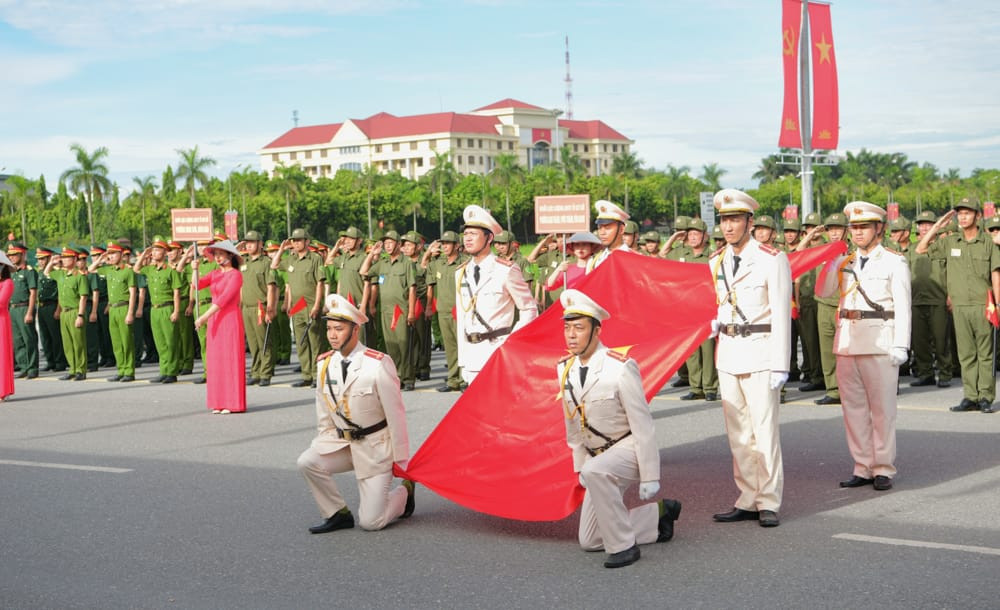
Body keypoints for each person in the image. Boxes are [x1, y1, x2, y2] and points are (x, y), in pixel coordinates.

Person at [557, 289, 681, 568]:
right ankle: (659, 515)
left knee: (596, 471)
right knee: (589, 540)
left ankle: (624, 548)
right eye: (567, 328)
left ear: (597, 331)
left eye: (579, 328)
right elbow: (572, 422)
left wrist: (650, 475)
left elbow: (642, 423)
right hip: (597, 459)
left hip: (628, 449)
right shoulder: (564, 368)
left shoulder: (620, 367)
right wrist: (580, 466)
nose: (571, 335)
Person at [296, 293, 415, 533]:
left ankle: (405, 493)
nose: (331, 335)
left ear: (355, 330)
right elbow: (323, 411)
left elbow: (395, 413)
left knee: (372, 522)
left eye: (338, 329)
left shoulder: (377, 364)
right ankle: (337, 513)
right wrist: (324, 442)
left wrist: (401, 460)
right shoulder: (324, 363)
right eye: (329, 328)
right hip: (343, 444)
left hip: (375, 448)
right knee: (307, 461)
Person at [708, 189, 791, 528]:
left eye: (735, 220)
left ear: (749, 222)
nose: (728, 227)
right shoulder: (716, 262)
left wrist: (781, 363)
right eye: (724, 220)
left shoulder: (772, 259)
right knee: (738, 433)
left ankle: (769, 500)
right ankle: (747, 497)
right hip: (728, 353)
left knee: (763, 430)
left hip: (760, 351)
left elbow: (783, 312)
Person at [815, 202, 910, 491]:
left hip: (880, 341)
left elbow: (903, 307)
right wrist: (832, 262)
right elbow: (823, 291)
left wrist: (901, 345)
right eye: (853, 227)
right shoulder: (846, 262)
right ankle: (863, 466)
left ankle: (883, 467)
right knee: (853, 409)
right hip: (847, 341)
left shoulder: (895, 261)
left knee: (882, 410)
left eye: (863, 227)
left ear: (878, 228)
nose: (857, 232)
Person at [918, 198, 1000, 413]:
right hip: (960, 306)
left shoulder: (988, 243)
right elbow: (921, 248)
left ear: (978, 216)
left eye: (968, 213)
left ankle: (985, 397)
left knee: (985, 353)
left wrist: (998, 304)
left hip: (984, 305)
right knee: (966, 354)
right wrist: (938, 226)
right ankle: (970, 396)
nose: (963, 217)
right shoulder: (950, 242)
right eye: (959, 213)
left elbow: (995, 273)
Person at [455, 205, 538, 384]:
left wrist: (511, 342)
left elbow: (529, 308)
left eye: (473, 234)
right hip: (471, 356)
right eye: (466, 234)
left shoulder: (505, 270)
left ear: (489, 237)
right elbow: (462, 318)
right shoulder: (460, 273)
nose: (467, 239)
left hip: (498, 351)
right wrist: (462, 361)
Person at [799, 213, 849, 404]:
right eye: (830, 229)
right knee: (827, 351)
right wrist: (810, 235)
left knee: (847, 352)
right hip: (823, 306)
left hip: (844, 306)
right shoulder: (821, 249)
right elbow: (799, 252)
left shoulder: (853, 250)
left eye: (838, 228)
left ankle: (850, 390)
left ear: (846, 230)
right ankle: (833, 390)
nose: (834, 233)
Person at [192, 240, 246, 414]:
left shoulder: (236, 275)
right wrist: (195, 269)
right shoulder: (215, 274)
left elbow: (223, 300)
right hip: (215, 321)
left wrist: (203, 317)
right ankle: (218, 402)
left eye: (221, 254)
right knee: (215, 361)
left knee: (229, 360)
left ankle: (232, 402)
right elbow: (197, 285)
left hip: (229, 320)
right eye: (215, 254)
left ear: (230, 255)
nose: (218, 257)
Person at [361, 231, 417, 390]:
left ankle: (408, 378)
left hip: (400, 311)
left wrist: (412, 312)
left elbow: (412, 289)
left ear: (399, 244)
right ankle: (397, 377)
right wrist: (372, 254)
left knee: (404, 345)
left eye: (391, 243)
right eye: (385, 243)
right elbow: (364, 271)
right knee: (391, 345)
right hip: (385, 311)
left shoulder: (407, 263)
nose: (387, 246)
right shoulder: (382, 263)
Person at [271, 228, 325, 388]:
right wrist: (281, 249)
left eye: (299, 240)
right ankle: (306, 375)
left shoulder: (315, 258)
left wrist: (317, 305)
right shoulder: (291, 259)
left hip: (310, 305)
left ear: (307, 242)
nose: (295, 243)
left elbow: (320, 283)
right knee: (301, 342)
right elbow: (274, 265)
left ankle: (317, 376)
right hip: (297, 306)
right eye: (293, 241)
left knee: (315, 342)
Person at [908, 211, 953, 388]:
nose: (924, 227)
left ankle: (944, 373)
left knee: (941, 340)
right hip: (917, 299)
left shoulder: (943, 246)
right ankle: (925, 373)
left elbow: (951, 272)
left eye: (928, 224)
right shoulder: (912, 248)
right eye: (921, 224)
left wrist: (950, 295)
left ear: (936, 226)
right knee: (919, 341)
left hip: (938, 298)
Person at [675, 219, 718, 402]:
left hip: (706, 307)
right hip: (687, 308)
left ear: (704, 236)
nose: (693, 238)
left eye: (696, 234)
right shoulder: (682, 254)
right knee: (692, 351)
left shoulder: (713, 256)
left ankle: (710, 388)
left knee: (707, 351)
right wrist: (675, 238)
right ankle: (695, 387)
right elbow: (661, 257)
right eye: (690, 234)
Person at [134, 236, 182, 384]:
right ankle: (164, 370)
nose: (154, 253)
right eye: (153, 250)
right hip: (155, 310)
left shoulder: (170, 271)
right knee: (160, 342)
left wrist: (176, 311)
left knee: (170, 342)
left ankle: (172, 372)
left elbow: (176, 292)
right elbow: (136, 269)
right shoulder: (150, 270)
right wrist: (144, 254)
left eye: (157, 250)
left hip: (167, 308)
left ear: (165, 252)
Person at [423, 231, 466, 392]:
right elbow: (426, 275)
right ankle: (453, 379)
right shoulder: (438, 263)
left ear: (457, 246)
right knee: (450, 346)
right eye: (443, 243)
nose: (445, 246)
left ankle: (464, 379)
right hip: (443, 310)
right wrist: (428, 253)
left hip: (460, 310)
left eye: (448, 243)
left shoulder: (465, 262)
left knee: (462, 345)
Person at [93, 243, 137, 382]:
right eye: (109, 253)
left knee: (126, 341)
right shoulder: (108, 270)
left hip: (124, 307)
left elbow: (133, 293)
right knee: (116, 342)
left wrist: (130, 313)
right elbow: (90, 269)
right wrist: (102, 258)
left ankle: (129, 371)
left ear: (121, 255)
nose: (111, 256)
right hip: (112, 309)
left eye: (113, 253)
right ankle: (121, 369)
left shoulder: (128, 271)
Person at [44, 247, 90, 381]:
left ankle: (81, 370)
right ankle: (72, 369)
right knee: (67, 343)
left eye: (67, 257)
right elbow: (46, 273)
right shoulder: (61, 274)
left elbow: (83, 297)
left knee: (78, 342)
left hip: (75, 311)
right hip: (64, 312)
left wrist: (81, 315)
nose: (64, 260)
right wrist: (52, 262)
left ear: (75, 259)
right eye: (63, 258)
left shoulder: (80, 276)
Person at [238, 231, 277, 387]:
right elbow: (227, 258)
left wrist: (270, 308)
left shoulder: (266, 263)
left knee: (264, 341)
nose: (248, 245)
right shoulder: (244, 262)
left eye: (252, 242)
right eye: (247, 242)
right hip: (246, 307)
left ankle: (266, 373)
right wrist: (237, 247)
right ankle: (255, 371)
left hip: (261, 307)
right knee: (253, 343)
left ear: (260, 244)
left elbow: (271, 287)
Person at [401, 231, 432, 382]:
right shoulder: (403, 261)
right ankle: (412, 367)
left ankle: (424, 367)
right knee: (410, 337)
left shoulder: (425, 260)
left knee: (422, 336)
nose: (405, 248)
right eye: (404, 245)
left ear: (419, 246)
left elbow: (427, 280)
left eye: (409, 245)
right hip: (406, 301)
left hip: (421, 299)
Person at [7, 242, 39, 380]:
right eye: (10, 255)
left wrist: (30, 312)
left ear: (22, 254)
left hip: (24, 307)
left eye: (15, 254)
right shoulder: (11, 272)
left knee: (29, 339)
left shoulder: (29, 271)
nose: (12, 257)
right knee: (17, 340)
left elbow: (33, 293)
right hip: (12, 309)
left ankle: (33, 367)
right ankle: (24, 366)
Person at [33, 247, 67, 372]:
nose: (40, 261)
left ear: (49, 258)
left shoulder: (58, 271)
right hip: (42, 306)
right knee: (45, 336)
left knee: (55, 336)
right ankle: (50, 361)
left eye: (42, 258)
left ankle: (60, 362)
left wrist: (58, 309)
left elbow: (61, 292)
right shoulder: (40, 272)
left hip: (53, 305)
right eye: (39, 259)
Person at [587, 200, 633, 272]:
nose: (602, 233)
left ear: (621, 229)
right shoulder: (595, 260)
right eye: (599, 228)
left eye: (607, 228)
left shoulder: (633, 258)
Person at [0, 251, 17, 400]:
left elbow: (1, 302)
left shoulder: (8, 283)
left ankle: (3, 390)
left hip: (2, 321)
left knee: (2, 355)